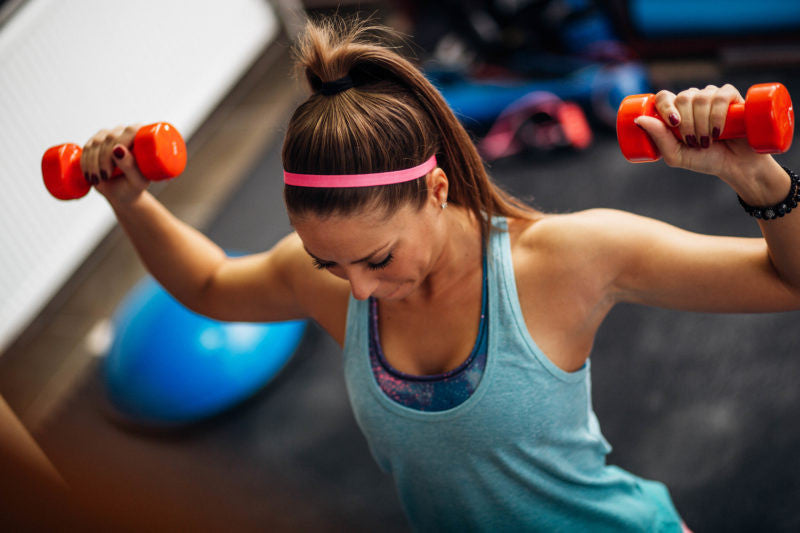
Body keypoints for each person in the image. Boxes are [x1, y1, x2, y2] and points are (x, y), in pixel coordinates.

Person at [78, 17, 799, 532]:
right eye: (331, 262)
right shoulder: (329, 280)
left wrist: (757, 177)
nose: (353, 289)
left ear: (436, 190)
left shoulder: (567, 258)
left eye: (378, 257)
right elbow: (206, 286)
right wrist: (126, 197)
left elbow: (788, 283)